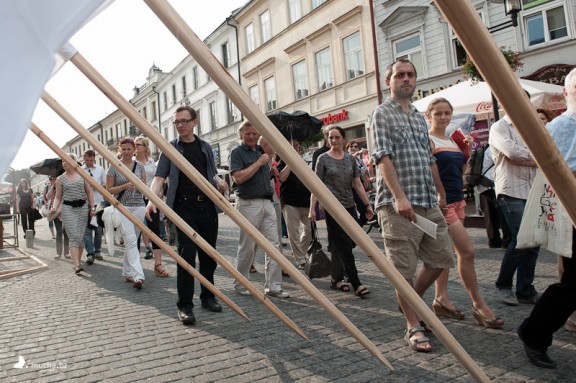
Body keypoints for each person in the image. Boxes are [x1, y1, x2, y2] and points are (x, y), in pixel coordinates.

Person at [370, 59, 455, 353]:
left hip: (428, 200)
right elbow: (382, 158)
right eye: (399, 75)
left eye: (410, 74)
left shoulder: (420, 116)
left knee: (441, 257)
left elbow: (429, 158)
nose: (406, 79)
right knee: (403, 270)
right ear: (389, 82)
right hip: (397, 205)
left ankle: (412, 303)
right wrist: (399, 197)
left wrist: (441, 193)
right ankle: (412, 324)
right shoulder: (381, 114)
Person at [426, 98, 504, 329]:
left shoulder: (451, 139)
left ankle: (441, 298)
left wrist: (466, 151)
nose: (443, 117)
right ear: (429, 116)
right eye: (438, 113)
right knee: (467, 251)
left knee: (445, 252)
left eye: (447, 113)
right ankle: (479, 305)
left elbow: (459, 170)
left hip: (459, 200)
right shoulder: (427, 140)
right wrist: (440, 196)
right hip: (443, 203)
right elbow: (431, 172)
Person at [146, 106, 227, 325]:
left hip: (207, 207)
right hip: (183, 208)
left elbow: (211, 174)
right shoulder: (170, 149)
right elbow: (159, 178)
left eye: (184, 121)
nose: (180, 125)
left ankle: (208, 297)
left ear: (194, 122)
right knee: (186, 256)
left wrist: (219, 182)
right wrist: (152, 200)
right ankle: (185, 306)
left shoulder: (205, 147)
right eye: (177, 122)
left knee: (209, 255)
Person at [518, 68, 576, 369]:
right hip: (572, 213)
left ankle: (535, 332)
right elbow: (558, 174)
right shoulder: (562, 126)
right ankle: (534, 333)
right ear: (566, 93)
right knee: (573, 285)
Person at [310, 125, 374, 297]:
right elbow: (315, 185)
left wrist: (367, 205)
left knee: (345, 243)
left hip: (349, 205)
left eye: (337, 137)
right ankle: (356, 283)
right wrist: (312, 209)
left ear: (343, 139)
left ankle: (336, 279)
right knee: (345, 245)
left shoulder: (350, 159)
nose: (334, 140)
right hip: (332, 207)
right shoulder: (323, 158)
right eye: (331, 138)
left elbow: (357, 184)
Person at [489, 94, 540, 306]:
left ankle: (525, 289)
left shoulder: (530, 127)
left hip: (532, 190)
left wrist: (530, 158)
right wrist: (534, 158)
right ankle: (503, 284)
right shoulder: (499, 127)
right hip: (510, 190)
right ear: (504, 103)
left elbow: (540, 154)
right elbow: (511, 153)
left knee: (534, 241)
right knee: (521, 239)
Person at [229, 119, 289, 298]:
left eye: (255, 133)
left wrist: (271, 171)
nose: (251, 137)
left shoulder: (261, 150)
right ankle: (241, 284)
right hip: (248, 203)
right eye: (247, 134)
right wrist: (259, 164)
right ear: (241, 135)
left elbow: (263, 171)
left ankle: (274, 286)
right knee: (247, 246)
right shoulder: (237, 152)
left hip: (267, 201)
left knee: (274, 245)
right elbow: (238, 178)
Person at [107, 137, 147, 289]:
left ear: (134, 150)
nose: (126, 152)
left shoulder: (140, 167)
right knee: (130, 240)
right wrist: (124, 186)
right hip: (122, 206)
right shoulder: (114, 167)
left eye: (129, 149)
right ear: (119, 149)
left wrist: (137, 186)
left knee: (133, 240)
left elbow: (144, 187)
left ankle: (127, 272)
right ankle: (138, 276)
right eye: (123, 149)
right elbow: (108, 189)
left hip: (138, 206)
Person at [50, 153, 94, 274]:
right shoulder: (60, 179)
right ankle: (76, 264)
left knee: (80, 238)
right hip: (68, 208)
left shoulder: (83, 174)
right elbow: (58, 197)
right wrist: (54, 207)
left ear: (74, 161)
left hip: (83, 208)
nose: (64, 163)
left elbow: (89, 192)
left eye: (67, 161)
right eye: (62, 161)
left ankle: (77, 262)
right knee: (73, 236)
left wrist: (92, 208)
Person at [135, 136, 168, 277]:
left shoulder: (152, 162)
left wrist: (159, 195)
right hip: (134, 199)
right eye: (135, 144)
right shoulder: (131, 162)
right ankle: (135, 267)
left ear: (146, 147)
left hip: (150, 199)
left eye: (139, 144)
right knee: (135, 233)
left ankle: (158, 264)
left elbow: (159, 178)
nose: (136, 147)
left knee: (155, 231)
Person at [278, 138, 311, 270]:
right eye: (292, 146)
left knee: (310, 230)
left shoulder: (303, 162)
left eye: (297, 146)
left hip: (305, 202)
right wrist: (290, 163)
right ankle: (300, 259)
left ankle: (299, 252)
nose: (295, 148)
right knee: (294, 233)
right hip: (290, 203)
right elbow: (282, 177)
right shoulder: (282, 162)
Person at [476, 146, 511, 249]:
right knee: (502, 214)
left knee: (489, 215)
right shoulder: (493, 148)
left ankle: (494, 240)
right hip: (492, 184)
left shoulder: (484, 149)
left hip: (483, 185)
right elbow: (500, 163)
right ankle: (507, 240)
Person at [82, 149, 106, 265]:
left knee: (98, 229)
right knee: (87, 230)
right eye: (87, 160)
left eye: (91, 160)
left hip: (98, 202)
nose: (89, 162)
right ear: (84, 159)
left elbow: (106, 184)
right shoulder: (80, 170)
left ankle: (97, 251)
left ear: (94, 159)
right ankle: (90, 253)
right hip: (85, 203)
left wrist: (98, 186)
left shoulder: (100, 169)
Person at [346, 139, 371, 226]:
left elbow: (365, 173)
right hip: (352, 190)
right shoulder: (346, 158)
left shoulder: (360, 161)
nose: (353, 148)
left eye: (355, 147)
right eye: (351, 146)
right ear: (347, 149)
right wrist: (359, 152)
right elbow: (351, 158)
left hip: (361, 188)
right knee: (357, 212)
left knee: (364, 211)